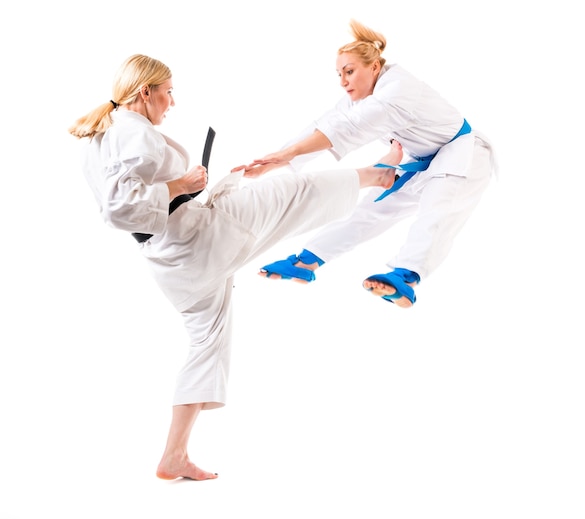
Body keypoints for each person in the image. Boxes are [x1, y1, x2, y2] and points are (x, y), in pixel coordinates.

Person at [68, 54, 400, 480]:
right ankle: (379, 174)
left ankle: (174, 456)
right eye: (168, 93)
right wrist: (181, 185)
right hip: (197, 240)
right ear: (145, 91)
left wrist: (182, 188)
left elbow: (127, 199)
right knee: (291, 193)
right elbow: (119, 209)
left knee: (208, 344)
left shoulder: (105, 134)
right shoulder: (133, 132)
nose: (172, 103)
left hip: (174, 261)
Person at [240, 19, 497, 308]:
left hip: (464, 154)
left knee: (436, 211)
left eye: (349, 71)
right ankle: (307, 261)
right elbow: (325, 125)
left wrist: (287, 155)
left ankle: (406, 277)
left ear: (374, 67)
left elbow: (347, 129)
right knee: (371, 208)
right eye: (339, 74)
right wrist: (276, 160)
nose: (343, 81)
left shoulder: (398, 89)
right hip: (423, 159)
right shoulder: (360, 98)